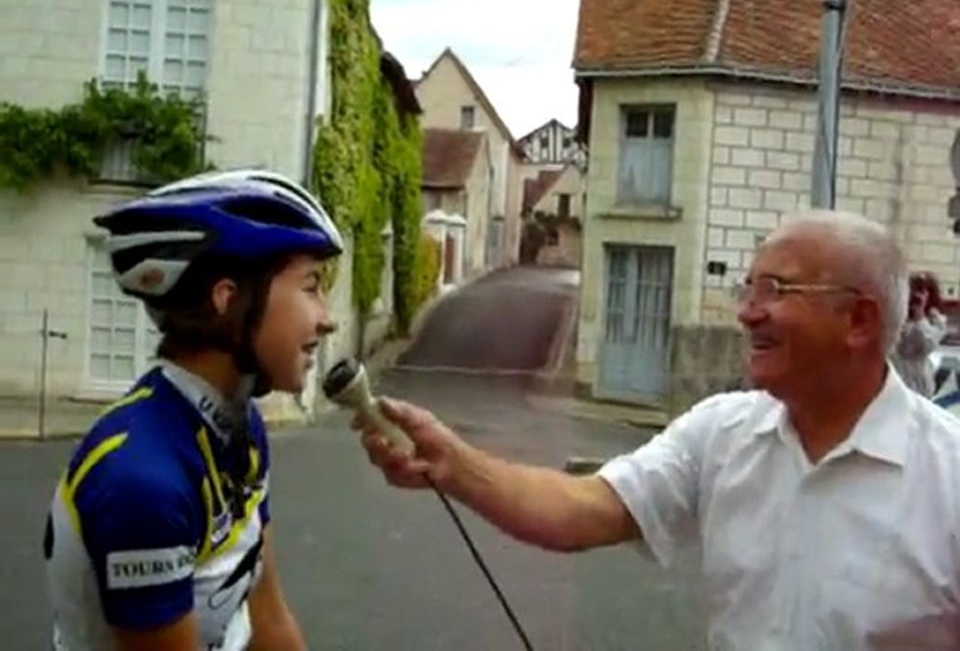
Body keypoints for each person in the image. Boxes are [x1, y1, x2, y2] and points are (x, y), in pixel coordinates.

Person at [354, 208, 960, 649]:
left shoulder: (949, 474)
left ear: (859, 320)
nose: (746, 312)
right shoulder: (723, 431)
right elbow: (584, 508)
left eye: (774, 290)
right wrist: (454, 464)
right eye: (747, 287)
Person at [44, 169, 343, 651]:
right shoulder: (142, 482)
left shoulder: (239, 426)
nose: (327, 319)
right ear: (227, 299)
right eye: (311, 287)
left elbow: (266, 615)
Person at [890, 271, 947, 396]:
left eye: (921, 290)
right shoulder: (895, 317)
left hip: (918, 387)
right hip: (895, 384)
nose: (915, 295)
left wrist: (919, 316)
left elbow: (927, 344)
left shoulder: (936, 321)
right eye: (913, 289)